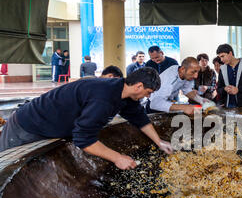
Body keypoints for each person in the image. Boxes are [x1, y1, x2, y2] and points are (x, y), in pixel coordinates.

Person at [0, 68, 173, 169]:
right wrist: (117, 158)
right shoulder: (103, 98)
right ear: (138, 86)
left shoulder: (124, 93)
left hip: (49, 127)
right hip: (26, 125)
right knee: (4, 163)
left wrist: (159, 141)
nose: (147, 97)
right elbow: (83, 138)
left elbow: (140, 117)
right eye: (148, 93)